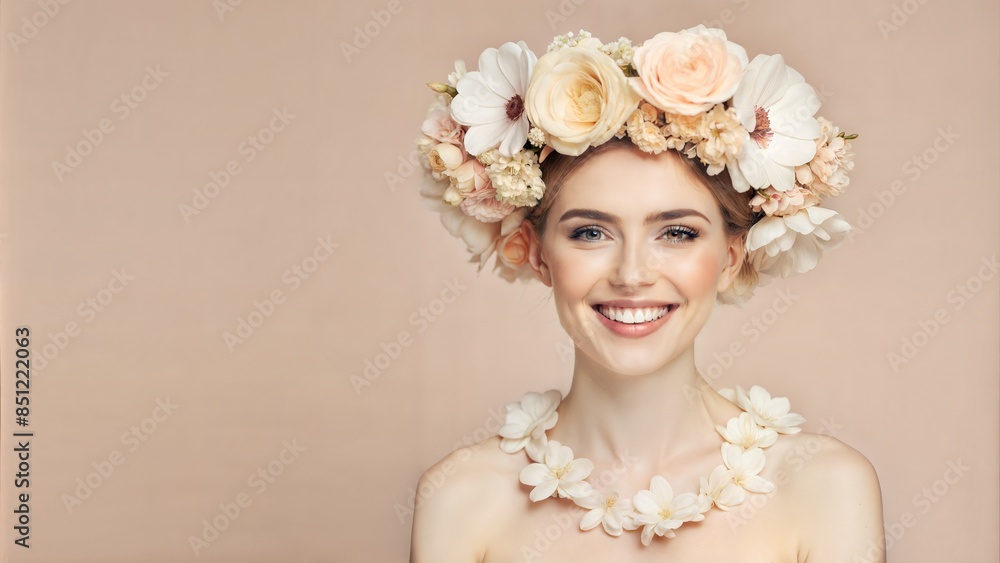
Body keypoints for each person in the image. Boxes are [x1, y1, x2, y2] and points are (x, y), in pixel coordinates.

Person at [409, 27, 885, 562]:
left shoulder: (822, 489)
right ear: (539, 255)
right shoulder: (460, 497)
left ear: (731, 259)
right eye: (590, 232)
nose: (632, 274)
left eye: (676, 233)